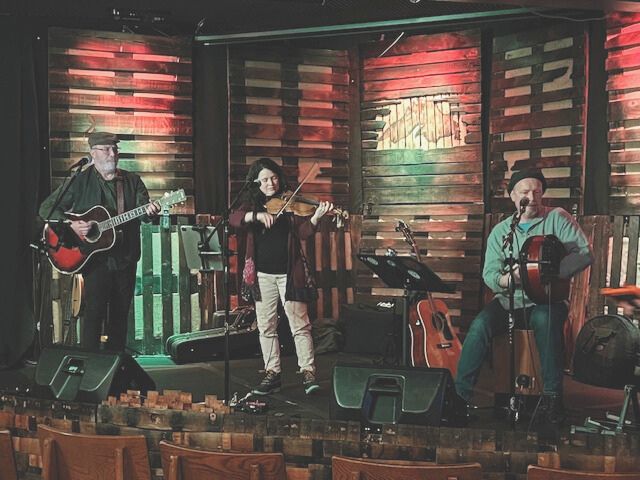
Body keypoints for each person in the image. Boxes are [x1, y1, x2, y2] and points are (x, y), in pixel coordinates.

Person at [455, 169, 594, 423]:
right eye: (525, 192)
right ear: (513, 196)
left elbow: (584, 253)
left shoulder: (557, 218)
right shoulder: (501, 232)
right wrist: (509, 280)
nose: (532, 197)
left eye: (537, 192)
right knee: (479, 326)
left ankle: (552, 399)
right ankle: (458, 396)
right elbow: (490, 274)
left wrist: (549, 273)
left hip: (547, 300)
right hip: (510, 300)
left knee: (544, 320)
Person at [39, 132, 160, 352]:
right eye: (106, 150)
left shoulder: (132, 181)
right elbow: (47, 208)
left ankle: (114, 365)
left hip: (124, 257)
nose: (112, 154)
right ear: (93, 154)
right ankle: (90, 365)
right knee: (93, 314)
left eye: (115, 149)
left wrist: (150, 212)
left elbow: (144, 212)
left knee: (120, 316)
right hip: (93, 259)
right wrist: (71, 225)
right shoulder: (79, 180)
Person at [230, 157, 333, 395]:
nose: (271, 183)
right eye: (265, 179)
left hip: (289, 274)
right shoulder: (251, 203)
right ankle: (272, 373)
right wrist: (256, 216)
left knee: (300, 326)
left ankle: (308, 372)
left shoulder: (291, 202)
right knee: (266, 327)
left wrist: (315, 218)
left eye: (274, 178)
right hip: (262, 275)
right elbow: (234, 218)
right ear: (256, 182)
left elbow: (303, 232)